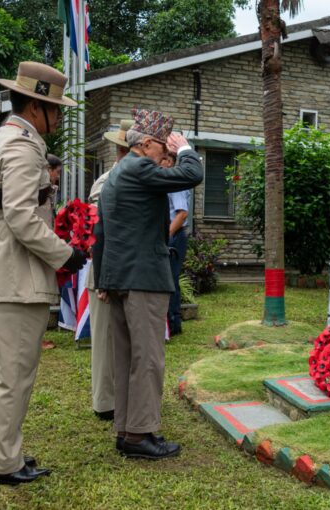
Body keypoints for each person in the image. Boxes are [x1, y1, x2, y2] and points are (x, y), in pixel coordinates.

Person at [0, 61, 87, 486]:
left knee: (10, 376)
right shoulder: (22, 145)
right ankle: (1, 463)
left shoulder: (8, 136)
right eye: (56, 108)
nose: (58, 117)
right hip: (16, 280)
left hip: (8, 275)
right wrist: (64, 254)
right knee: (14, 377)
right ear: (37, 107)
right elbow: (21, 216)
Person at [93, 109, 203, 460]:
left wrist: (105, 280)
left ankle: (127, 430)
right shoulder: (140, 167)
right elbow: (193, 173)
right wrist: (185, 149)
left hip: (122, 278)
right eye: (163, 146)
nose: (165, 155)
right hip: (143, 280)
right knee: (148, 358)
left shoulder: (117, 174)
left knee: (127, 358)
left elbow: (103, 234)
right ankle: (140, 436)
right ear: (147, 143)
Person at [87, 118, 133, 421]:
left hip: (129, 271)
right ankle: (105, 402)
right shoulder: (108, 181)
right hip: (106, 272)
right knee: (105, 341)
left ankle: (124, 398)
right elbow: (99, 230)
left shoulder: (134, 178)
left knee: (124, 341)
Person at [166, 158, 190, 337]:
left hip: (174, 235)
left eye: (163, 159)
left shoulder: (176, 183)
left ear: (170, 161)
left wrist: (166, 236)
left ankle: (173, 323)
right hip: (170, 234)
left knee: (171, 279)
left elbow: (182, 214)